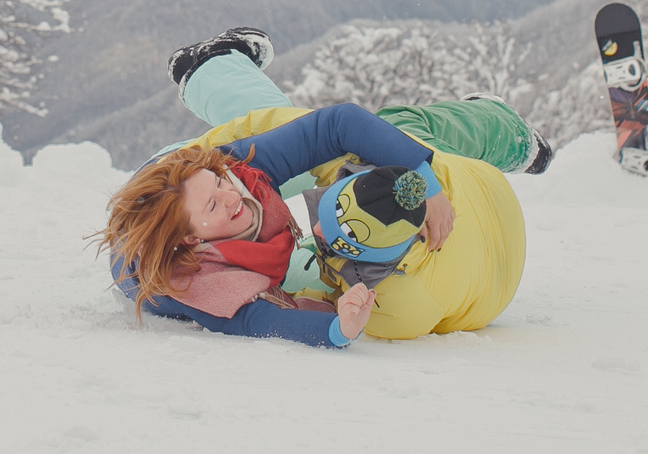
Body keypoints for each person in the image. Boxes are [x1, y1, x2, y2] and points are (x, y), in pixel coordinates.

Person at [97, 28, 551, 348]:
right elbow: (258, 319)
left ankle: (209, 66)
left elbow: (335, 126)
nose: (233, 196)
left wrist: (425, 179)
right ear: (193, 239)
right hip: (186, 214)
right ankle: (210, 67)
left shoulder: (232, 172)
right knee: (327, 249)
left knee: (357, 131)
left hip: (181, 175)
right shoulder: (198, 286)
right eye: (217, 203)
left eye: (223, 186)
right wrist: (338, 328)